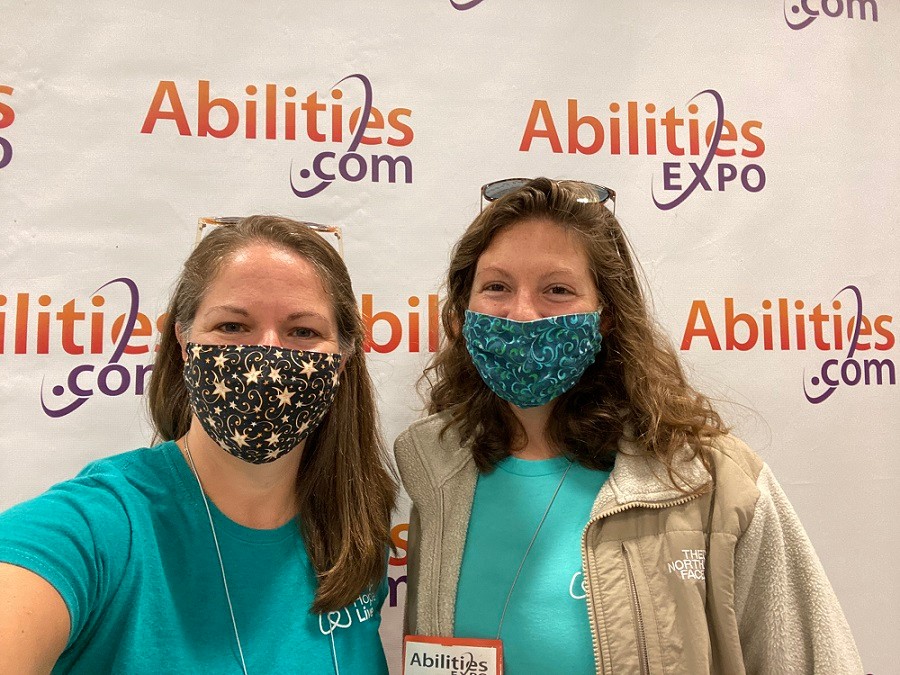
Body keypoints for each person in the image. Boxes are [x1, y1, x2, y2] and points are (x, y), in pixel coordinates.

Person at [394, 178, 863, 674]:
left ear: (606, 316)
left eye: (557, 289)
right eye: (496, 286)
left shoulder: (708, 481)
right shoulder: (436, 465)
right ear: (463, 309)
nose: (523, 313)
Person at [0, 215, 396, 674]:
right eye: (232, 326)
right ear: (184, 342)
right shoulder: (104, 527)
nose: (267, 353)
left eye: (303, 332)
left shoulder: (353, 531)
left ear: (343, 359)